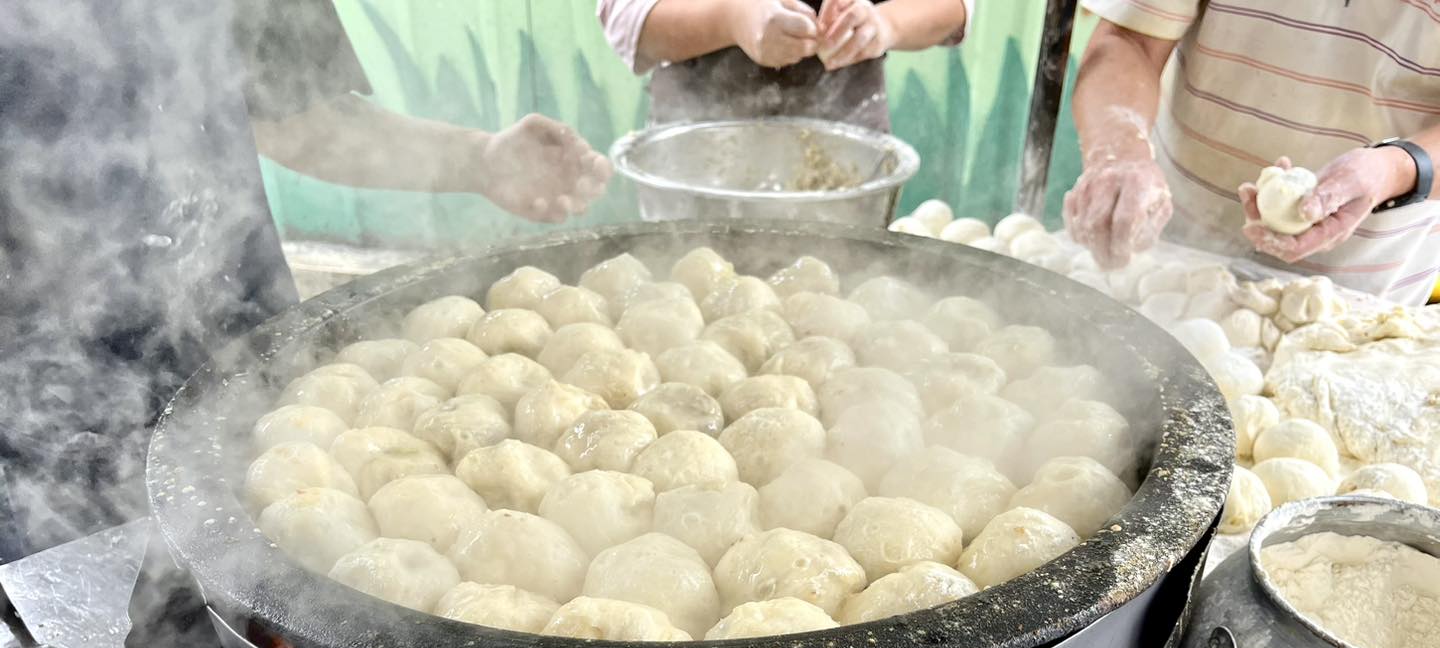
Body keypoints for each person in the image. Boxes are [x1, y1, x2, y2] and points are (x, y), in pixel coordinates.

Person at [0, 0, 610, 560]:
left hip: (252, 376)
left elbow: (299, 118)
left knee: (294, 593)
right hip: (47, 427)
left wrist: (479, 160)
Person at [1062, 1, 1440, 303]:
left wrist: (1394, 170)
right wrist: (1120, 150)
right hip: (1165, 270)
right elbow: (1130, 41)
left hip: (1359, 308)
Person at [597, 0, 971, 131]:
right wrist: (733, 19)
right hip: (696, 149)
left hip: (848, 152)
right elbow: (627, 17)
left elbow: (954, 6)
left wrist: (885, 25)